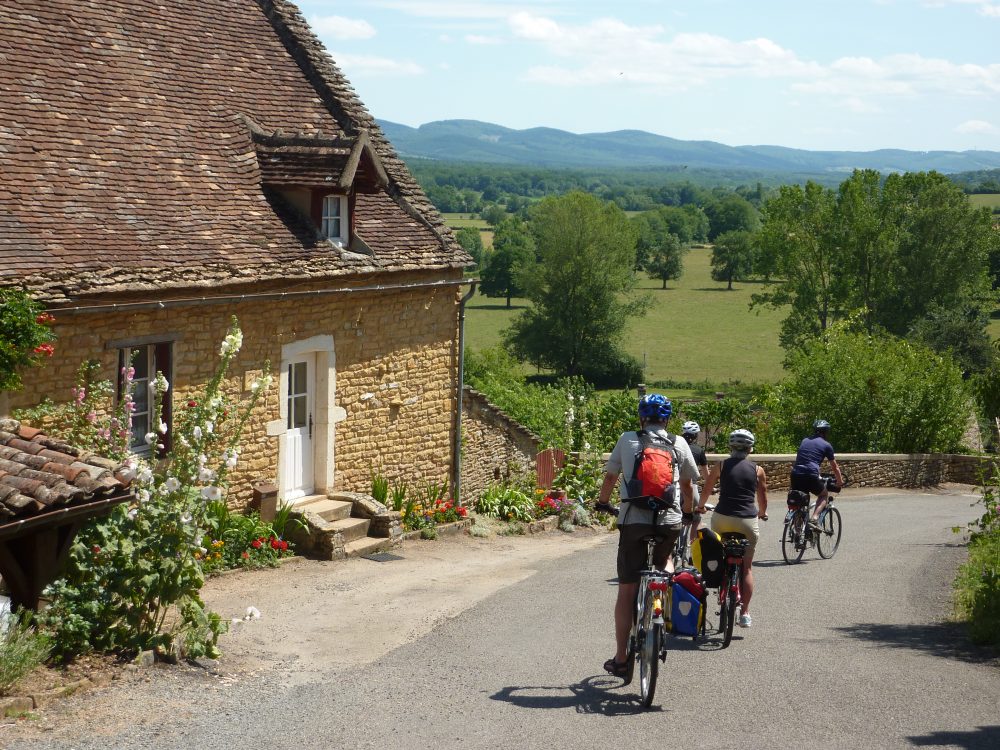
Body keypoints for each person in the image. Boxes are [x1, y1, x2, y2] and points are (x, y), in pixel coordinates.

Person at [597, 394, 698, 678]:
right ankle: (660, 591)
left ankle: (620, 659)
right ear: (667, 418)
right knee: (664, 560)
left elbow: (610, 477)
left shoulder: (628, 439)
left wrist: (603, 503)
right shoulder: (678, 443)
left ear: (642, 417)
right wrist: (687, 513)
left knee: (626, 589)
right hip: (669, 520)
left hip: (633, 521)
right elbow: (689, 484)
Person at [698, 428, 768, 629]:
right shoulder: (758, 470)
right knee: (746, 568)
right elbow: (762, 497)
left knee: (720, 554)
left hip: (722, 518)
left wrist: (701, 506)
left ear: (731, 447)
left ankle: (722, 584)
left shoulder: (721, 465)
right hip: (747, 520)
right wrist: (762, 513)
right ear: (750, 448)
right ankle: (745, 613)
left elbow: (708, 488)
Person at [790, 419, 843, 530]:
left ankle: (798, 532)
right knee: (823, 495)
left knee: (800, 499)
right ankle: (814, 518)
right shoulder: (826, 445)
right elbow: (835, 467)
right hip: (810, 475)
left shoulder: (805, 440)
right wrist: (839, 481)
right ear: (826, 432)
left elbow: (806, 459)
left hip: (795, 474)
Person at [680, 420, 709, 548]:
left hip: (673, 485)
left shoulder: (675, 446)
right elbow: (706, 475)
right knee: (696, 517)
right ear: (696, 436)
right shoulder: (698, 450)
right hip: (691, 486)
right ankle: (692, 548)